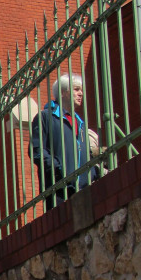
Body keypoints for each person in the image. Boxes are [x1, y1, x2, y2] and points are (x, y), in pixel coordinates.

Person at [30, 73, 95, 209]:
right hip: (58, 188)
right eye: (76, 89)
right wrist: (57, 167)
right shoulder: (45, 117)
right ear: (63, 93)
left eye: (81, 90)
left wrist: (93, 172)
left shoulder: (80, 122)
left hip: (84, 186)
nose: (81, 94)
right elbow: (37, 150)